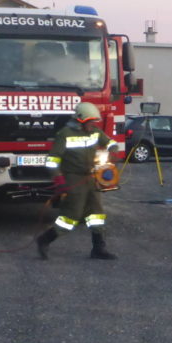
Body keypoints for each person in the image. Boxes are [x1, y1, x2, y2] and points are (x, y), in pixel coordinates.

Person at [36, 102, 119, 260]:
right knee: (71, 215)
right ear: (81, 120)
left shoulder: (95, 132)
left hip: (91, 178)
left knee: (96, 213)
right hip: (73, 178)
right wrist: (59, 179)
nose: (93, 124)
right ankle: (44, 240)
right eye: (91, 121)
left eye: (94, 121)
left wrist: (113, 150)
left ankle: (98, 248)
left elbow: (110, 142)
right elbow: (52, 160)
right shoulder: (65, 134)